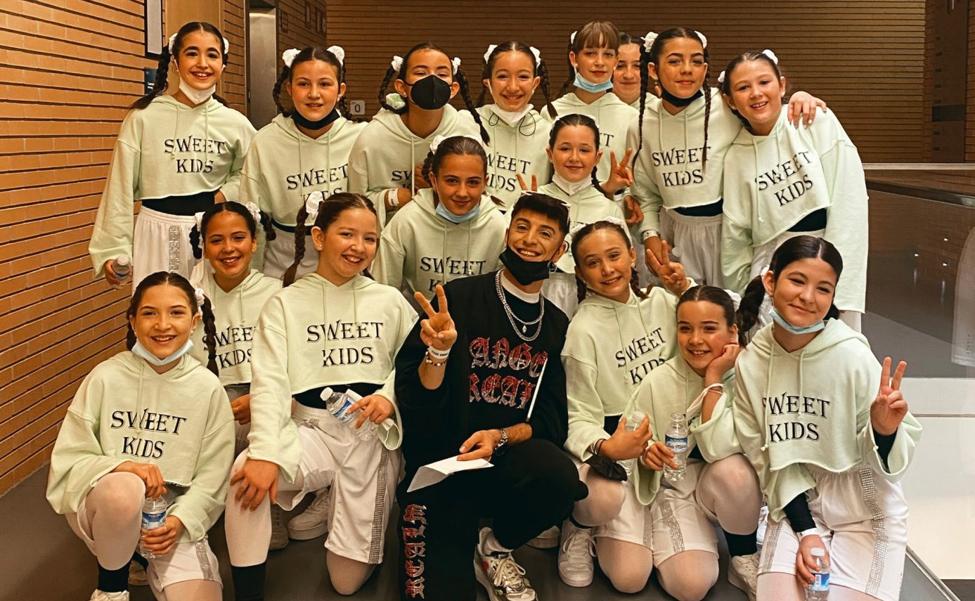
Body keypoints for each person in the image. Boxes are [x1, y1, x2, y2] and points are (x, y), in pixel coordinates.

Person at [394, 192, 588, 601]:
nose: (529, 240)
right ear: (507, 233)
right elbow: (415, 398)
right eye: (522, 227)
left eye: (544, 233)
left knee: (559, 477)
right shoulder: (456, 300)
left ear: (560, 248)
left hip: (502, 462)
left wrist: (499, 437)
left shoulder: (555, 325)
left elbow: (551, 421)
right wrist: (439, 352)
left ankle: (495, 545)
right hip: (440, 468)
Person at [224, 193, 417, 599]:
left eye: (369, 238)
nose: (358, 247)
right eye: (346, 234)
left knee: (346, 585)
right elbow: (271, 382)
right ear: (318, 236)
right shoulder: (285, 303)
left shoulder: (390, 302)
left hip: (369, 435)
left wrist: (389, 397)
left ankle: (335, 501)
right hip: (311, 429)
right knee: (246, 472)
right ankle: (248, 592)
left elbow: (411, 366)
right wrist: (264, 453)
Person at [734, 235, 922, 601]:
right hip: (799, 502)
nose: (808, 297)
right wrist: (806, 533)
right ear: (771, 281)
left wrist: (883, 431)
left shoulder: (852, 356)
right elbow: (767, 458)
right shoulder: (752, 363)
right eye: (797, 280)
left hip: (867, 509)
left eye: (823, 288)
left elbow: (895, 464)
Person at [46, 272, 233, 601]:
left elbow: (213, 476)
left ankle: (144, 556)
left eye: (176, 312)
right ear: (133, 321)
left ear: (194, 321)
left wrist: (180, 520)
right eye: (149, 313)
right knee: (125, 489)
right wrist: (125, 466)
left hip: (169, 520)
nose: (163, 325)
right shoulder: (105, 377)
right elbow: (68, 461)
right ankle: (111, 586)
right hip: (108, 506)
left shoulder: (208, 388)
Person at [628, 27, 825, 286]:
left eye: (696, 61)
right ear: (653, 70)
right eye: (675, 61)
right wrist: (651, 234)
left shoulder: (726, 106)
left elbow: (768, 116)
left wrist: (799, 97)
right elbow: (646, 194)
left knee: (732, 314)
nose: (687, 69)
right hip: (676, 234)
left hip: (730, 234)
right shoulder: (642, 124)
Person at [558, 219, 690, 590]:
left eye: (614, 256)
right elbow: (577, 414)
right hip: (620, 455)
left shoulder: (663, 302)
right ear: (580, 274)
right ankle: (580, 524)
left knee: (692, 584)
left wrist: (685, 289)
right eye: (593, 263)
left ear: (633, 256)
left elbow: (714, 326)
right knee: (629, 579)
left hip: (673, 448)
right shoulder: (582, 332)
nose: (607, 269)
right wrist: (606, 448)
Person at [90, 22, 255, 288]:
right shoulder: (144, 118)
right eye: (192, 53)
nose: (202, 63)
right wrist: (113, 248)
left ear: (223, 64)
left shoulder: (235, 123)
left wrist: (223, 195)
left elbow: (253, 174)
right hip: (155, 232)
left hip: (213, 232)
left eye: (212, 55)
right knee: (159, 317)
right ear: (176, 62)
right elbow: (119, 187)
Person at [622, 285, 762, 600]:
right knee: (691, 587)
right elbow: (631, 439)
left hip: (729, 488)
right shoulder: (658, 380)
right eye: (685, 329)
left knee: (734, 471)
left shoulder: (751, 377)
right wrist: (647, 454)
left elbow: (717, 450)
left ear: (733, 331)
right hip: (675, 490)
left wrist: (713, 378)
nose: (695, 340)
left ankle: (742, 554)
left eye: (709, 329)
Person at [719, 49, 867, 329]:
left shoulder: (814, 121)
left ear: (783, 86)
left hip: (824, 258)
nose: (756, 94)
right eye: (743, 87)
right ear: (731, 101)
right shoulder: (735, 154)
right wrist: (739, 298)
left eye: (764, 82)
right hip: (769, 270)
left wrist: (839, 288)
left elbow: (849, 205)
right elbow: (735, 236)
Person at [241, 46, 366, 279]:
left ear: (341, 90)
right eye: (303, 84)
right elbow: (252, 218)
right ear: (289, 88)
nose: (314, 94)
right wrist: (252, 279)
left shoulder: (361, 137)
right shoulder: (266, 141)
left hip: (349, 262)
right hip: (282, 265)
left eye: (325, 84)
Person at [349, 42, 487, 225]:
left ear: (453, 89)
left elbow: (482, 194)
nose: (432, 81)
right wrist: (396, 197)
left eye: (442, 74)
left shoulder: (466, 132)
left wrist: (439, 189)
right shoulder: (372, 138)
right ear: (401, 87)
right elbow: (353, 204)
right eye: (421, 73)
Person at [373, 134, 507, 299]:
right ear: (434, 181)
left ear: (485, 182)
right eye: (452, 181)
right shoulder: (406, 222)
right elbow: (383, 292)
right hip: (419, 321)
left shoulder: (498, 227)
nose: (462, 193)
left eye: (472, 182)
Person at [537, 113, 629, 316]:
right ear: (550, 153)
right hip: (537, 297)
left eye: (584, 150)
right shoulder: (532, 201)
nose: (574, 158)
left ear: (597, 157)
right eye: (564, 148)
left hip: (594, 304)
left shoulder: (609, 209)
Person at [549, 21, 637, 186]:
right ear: (573, 58)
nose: (599, 62)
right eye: (590, 53)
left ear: (616, 61)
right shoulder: (552, 111)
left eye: (608, 55)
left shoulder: (630, 117)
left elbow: (635, 182)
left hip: (612, 208)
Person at [476, 41, 556, 209]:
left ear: (535, 83)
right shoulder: (468, 121)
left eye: (523, 77)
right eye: (502, 76)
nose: (513, 87)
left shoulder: (549, 133)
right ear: (488, 82)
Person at [612, 32, 659, 110]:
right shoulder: (592, 109)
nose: (628, 75)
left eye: (637, 66)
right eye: (620, 66)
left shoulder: (660, 110)